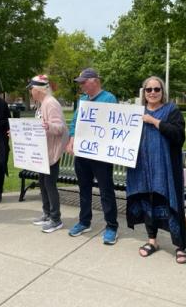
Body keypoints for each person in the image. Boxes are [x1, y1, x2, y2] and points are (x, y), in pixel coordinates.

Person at [126, 76, 186, 263]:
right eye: (148, 89)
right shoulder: (136, 113)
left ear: (162, 92)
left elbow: (178, 136)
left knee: (173, 203)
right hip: (142, 169)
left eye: (157, 89)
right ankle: (152, 241)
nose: (153, 93)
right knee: (147, 203)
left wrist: (154, 122)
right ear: (143, 93)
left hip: (166, 169)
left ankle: (181, 246)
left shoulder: (172, 111)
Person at [65, 67, 119, 245]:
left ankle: (111, 226)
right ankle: (84, 221)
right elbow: (75, 122)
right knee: (84, 189)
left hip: (101, 155)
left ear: (95, 81)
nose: (81, 86)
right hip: (82, 152)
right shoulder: (82, 100)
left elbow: (114, 124)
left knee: (106, 191)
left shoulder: (109, 99)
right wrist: (71, 140)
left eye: (83, 82)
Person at [28, 75, 69, 233]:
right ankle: (47, 213)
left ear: (37, 90)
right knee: (43, 183)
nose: (30, 92)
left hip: (51, 152)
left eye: (31, 88)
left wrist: (48, 125)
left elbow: (60, 128)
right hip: (42, 151)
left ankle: (56, 219)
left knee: (50, 185)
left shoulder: (50, 103)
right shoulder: (41, 103)